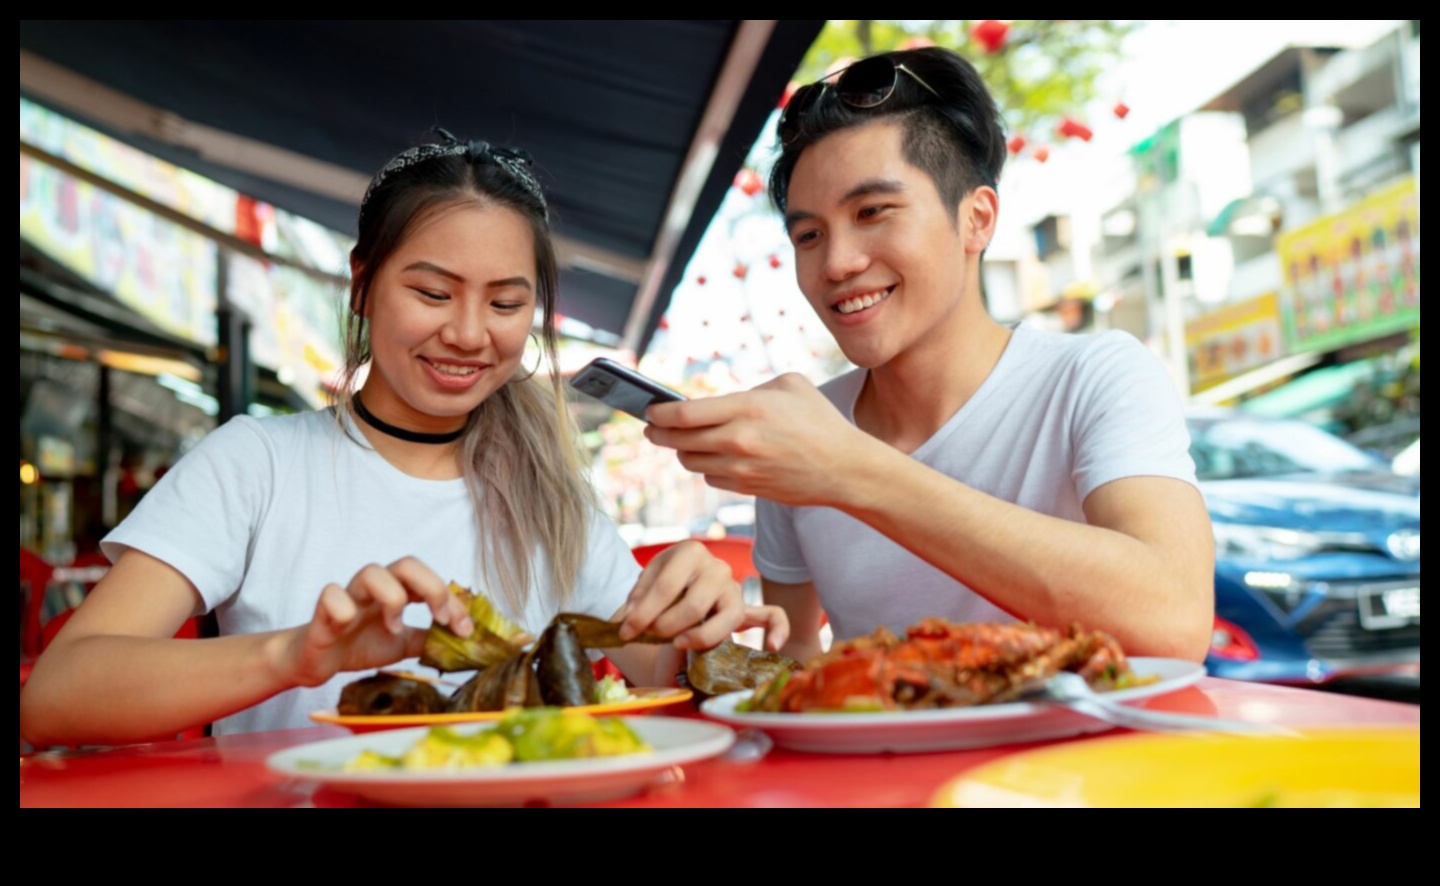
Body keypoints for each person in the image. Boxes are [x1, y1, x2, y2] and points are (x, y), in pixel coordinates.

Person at [21, 129, 786, 747]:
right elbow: (55, 698)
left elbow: (659, 664)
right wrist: (297, 655)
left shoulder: (550, 492)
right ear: (361, 284)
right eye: (431, 292)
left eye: (506, 303)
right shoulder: (254, 463)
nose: (466, 333)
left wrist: (699, 618)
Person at [643, 48, 1214, 664]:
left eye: (872, 212)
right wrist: (696, 631)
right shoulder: (803, 426)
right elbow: (795, 659)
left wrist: (850, 470)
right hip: (882, 756)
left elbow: (1175, 617)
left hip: (1081, 761)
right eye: (809, 235)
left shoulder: (1093, 376)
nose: (837, 263)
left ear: (976, 219)